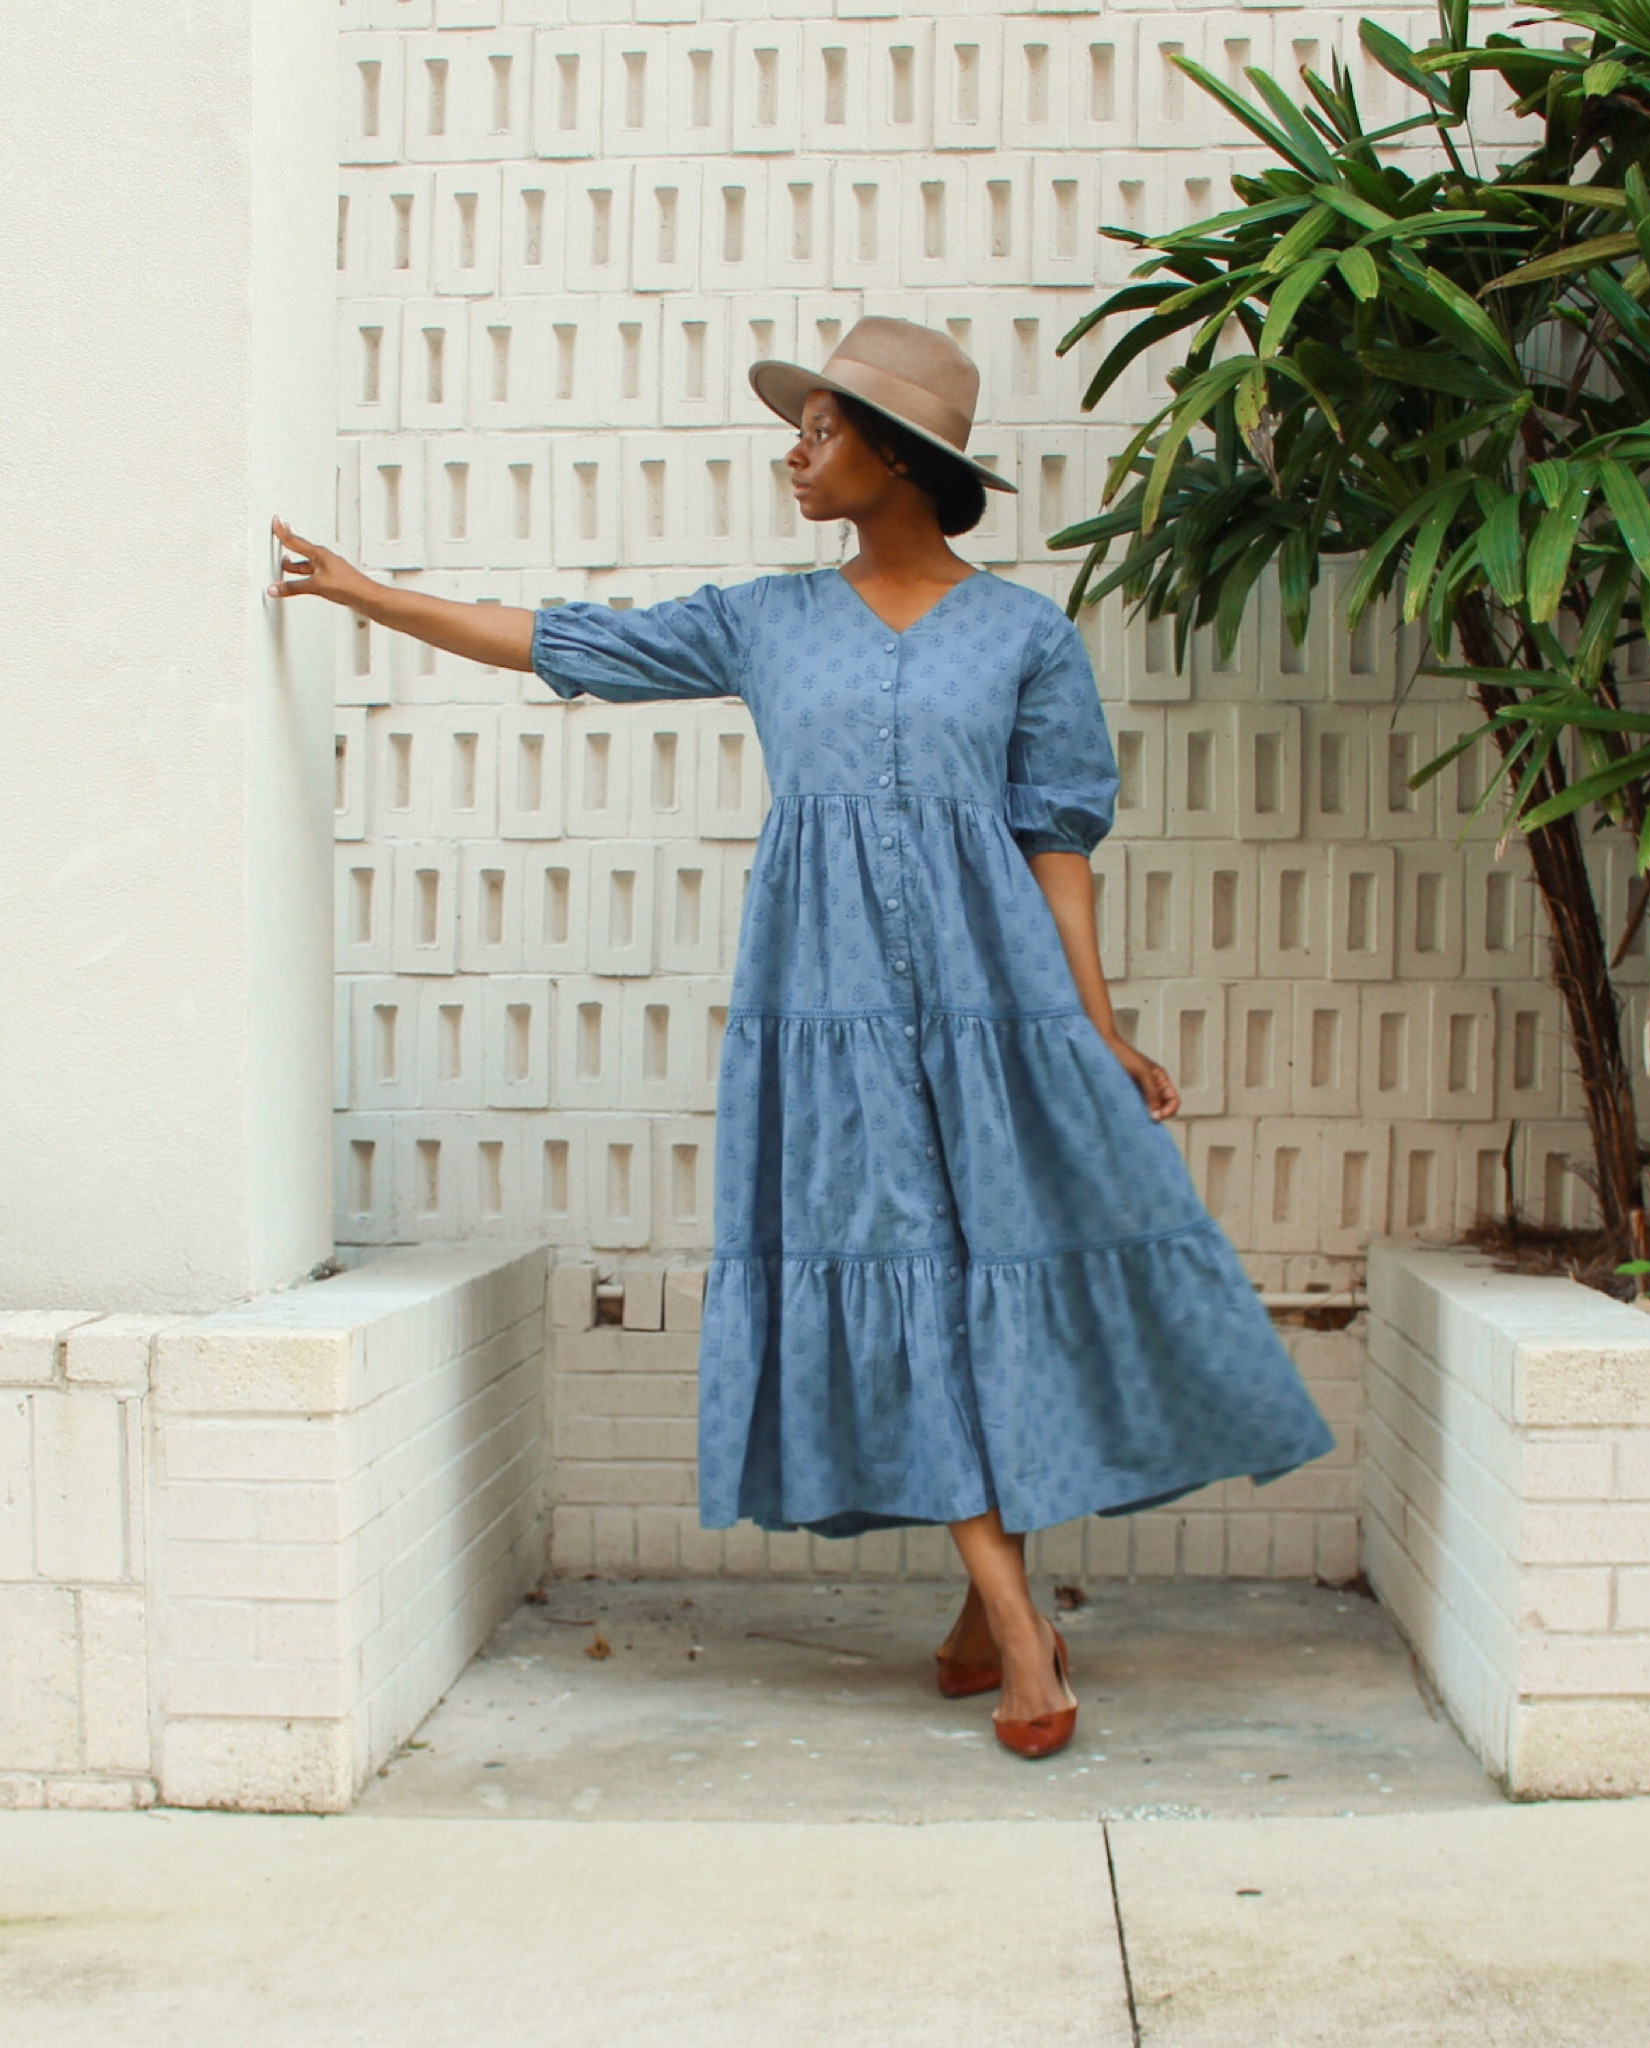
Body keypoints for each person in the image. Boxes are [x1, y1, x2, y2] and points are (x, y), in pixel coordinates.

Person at [272, 316, 1334, 1760]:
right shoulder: (764, 621)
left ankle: (983, 1620)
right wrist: (363, 594)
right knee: (901, 1271)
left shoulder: (1027, 635)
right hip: (824, 1015)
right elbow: (565, 641)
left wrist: (1098, 1027)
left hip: (994, 1009)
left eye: (821, 430)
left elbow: (1057, 843)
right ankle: (1022, 1636)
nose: (794, 452)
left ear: (898, 457)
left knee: (989, 1286)